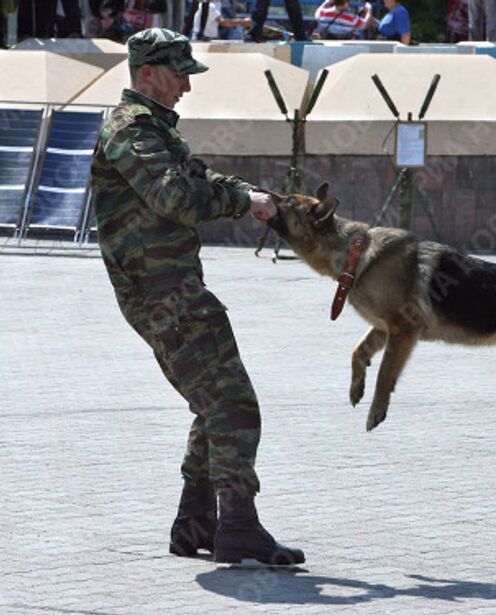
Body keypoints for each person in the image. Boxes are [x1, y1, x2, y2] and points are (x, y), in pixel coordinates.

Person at [89, 28, 304, 566]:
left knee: (213, 405)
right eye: (179, 71)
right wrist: (238, 200)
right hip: (162, 294)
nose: (186, 83)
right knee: (234, 406)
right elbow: (175, 195)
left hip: (173, 288)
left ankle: (194, 525)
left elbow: (195, 174)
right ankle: (237, 527)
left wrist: (258, 199)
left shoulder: (155, 129)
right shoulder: (131, 129)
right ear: (147, 73)